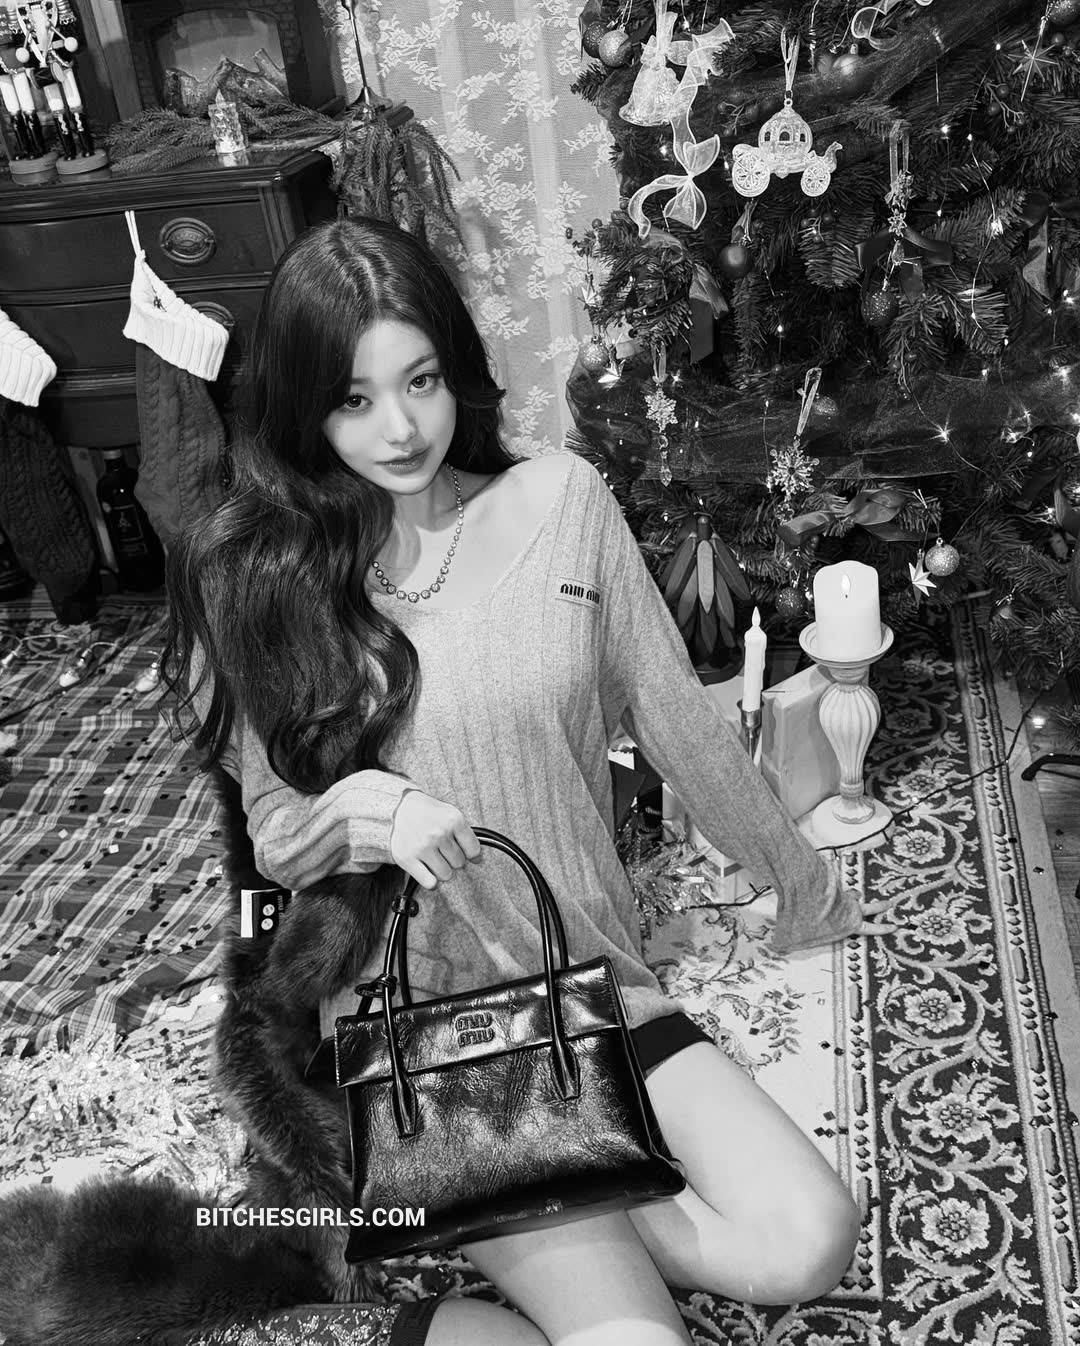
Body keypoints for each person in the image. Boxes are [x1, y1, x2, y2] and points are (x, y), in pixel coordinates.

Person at [162, 217, 891, 1346]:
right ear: (302, 406)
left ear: (455, 369)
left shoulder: (563, 503)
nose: (400, 428)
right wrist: (371, 809)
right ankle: (422, 1315)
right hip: (429, 1031)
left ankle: (568, 1171)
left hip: (592, 981)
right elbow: (274, 833)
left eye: (420, 381)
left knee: (807, 1241)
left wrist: (799, 881)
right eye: (354, 399)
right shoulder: (264, 572)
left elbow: (674, 717)